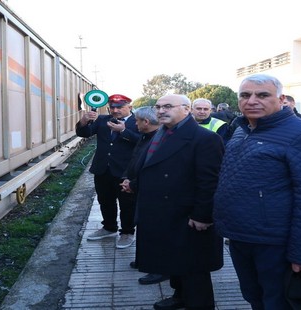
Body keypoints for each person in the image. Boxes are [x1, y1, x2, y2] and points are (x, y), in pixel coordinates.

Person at [214, 74, 301, 309]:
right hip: (241, 236)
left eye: (263, 95)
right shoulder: (241, 130)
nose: (252, 101)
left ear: (280, 99)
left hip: (276, 241)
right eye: (245, 95)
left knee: (278, 301)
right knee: (253, 295)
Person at [133, 94, 224, 310]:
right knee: (173, 261)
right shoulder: (162, 133)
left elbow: (210, 182)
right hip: (164, 211)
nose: (161, 111)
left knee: (193, 268)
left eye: (168, 106)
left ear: (186, 109)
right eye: (158, 107)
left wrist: (203, 215)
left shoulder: (205, 138)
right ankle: (180, 296)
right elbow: (154, 166)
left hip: (187, 215)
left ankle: (199, 305)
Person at [75, 94, 141, 249]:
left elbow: (143, 141)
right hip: (103, 169)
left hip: (125, 171)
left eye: (120, 107)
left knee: (127, 204)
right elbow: (84, 133)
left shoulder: (137, 122)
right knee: (105, 200)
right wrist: (83, 121)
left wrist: (123, 131)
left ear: (129, 107)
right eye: (112, 107)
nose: (115, 110)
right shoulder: (103, 120)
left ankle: (127, 232)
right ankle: (109, 227)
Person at [119, 107, 169, 285]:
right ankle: (144, 260)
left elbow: (153, 169)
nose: (135, 124)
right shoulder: (145, 137)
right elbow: (135, 161)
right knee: (143, 226)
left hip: (152, 192)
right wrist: (127, 178)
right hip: (137, 187)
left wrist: (133, 184)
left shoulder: (160, 140)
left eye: (137, 121)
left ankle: (159, 269)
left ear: (146, 122)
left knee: (154, 231)